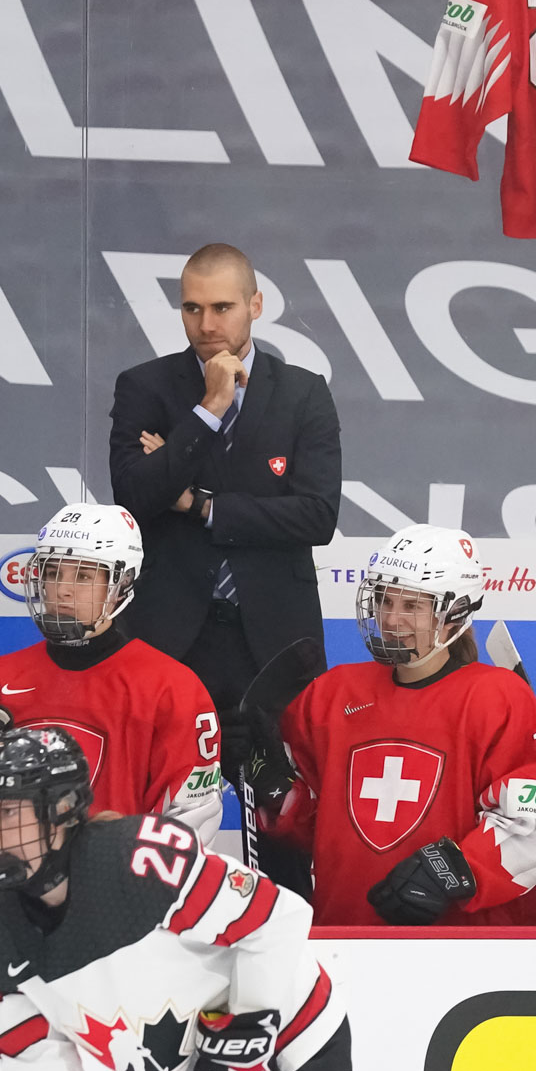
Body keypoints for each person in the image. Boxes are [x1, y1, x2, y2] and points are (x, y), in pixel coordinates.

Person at [0, 727, 351, 1071]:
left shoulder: (141, 859)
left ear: (61, 811)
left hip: (297, 1037)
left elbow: (277, 917)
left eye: (8, 811)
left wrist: (244, 1032)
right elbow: (36, 1060)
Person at [248, 524, 536, 926]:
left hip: (456, 946)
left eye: (412, 606)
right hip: (342, 929)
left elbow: (526, 826)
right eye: (385, 600)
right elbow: (318, 822)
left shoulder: (497, 697)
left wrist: (456, 871)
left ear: (455, 612)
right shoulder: (333, 692)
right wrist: (274, 791)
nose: (391, 618)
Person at [107, 243, 341, 734]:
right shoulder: (143, 386)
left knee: (283, 802)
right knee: (163, 800)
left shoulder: (304, 392)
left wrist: (199, 504)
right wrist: (209, 409)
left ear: (255, 306)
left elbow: (317, 516)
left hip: (275, 637)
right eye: (192, 308)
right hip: (169, 633)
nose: (207, 325)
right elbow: (136, 498)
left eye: (222, 308)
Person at [0, 503, 223, 864]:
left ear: (122, 583)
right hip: (11, 906)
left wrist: (115, 890)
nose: (62, 590)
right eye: (51, 573)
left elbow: (188, 828)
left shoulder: (172, 689)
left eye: (82, 576)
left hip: (121, 909)